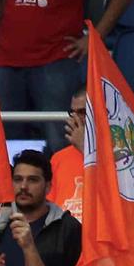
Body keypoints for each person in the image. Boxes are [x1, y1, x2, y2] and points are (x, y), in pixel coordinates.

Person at [0, 0, 131, 153]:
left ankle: (62, 177)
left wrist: (94, 37)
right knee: (3, 142)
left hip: (58, 60)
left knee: (60, 141)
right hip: (7, 60)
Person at [48, 87, 87, 219]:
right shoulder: (59, 158)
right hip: (63, 229)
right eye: (72, 113)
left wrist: (84, 148)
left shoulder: (120, 155)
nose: (75, 119)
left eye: (82, 112)